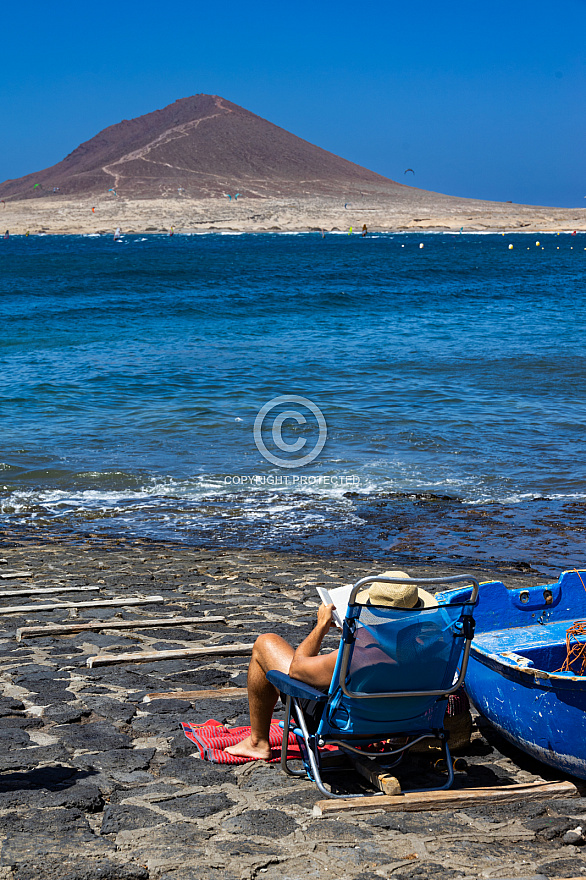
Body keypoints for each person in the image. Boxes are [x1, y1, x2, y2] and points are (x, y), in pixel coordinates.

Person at [225, 571, 436, 760]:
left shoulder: (356, 656)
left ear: (371, 612)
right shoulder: (435, 651)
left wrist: (321, 628)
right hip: (403, 724)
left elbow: (296, 670)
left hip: (344, 728)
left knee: (265, 642)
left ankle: (257, 742)